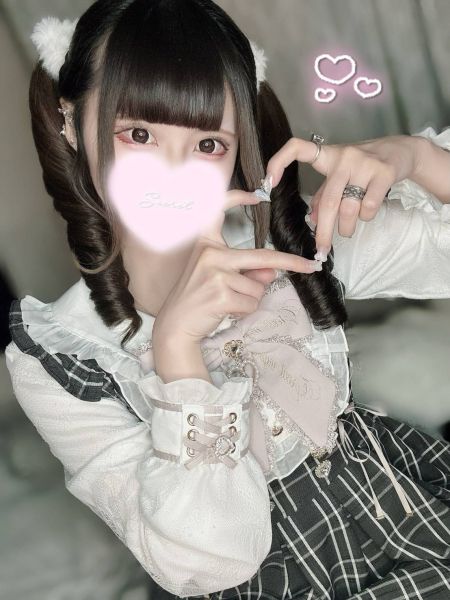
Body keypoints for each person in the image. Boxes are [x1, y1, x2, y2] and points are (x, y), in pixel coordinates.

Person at [5, 1, 450, 598]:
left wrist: (417, 158)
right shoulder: (62, 355)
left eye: (209, 144)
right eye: (139, 134)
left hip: (408, 521)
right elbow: (210, 562)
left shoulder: (291, 244)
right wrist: (177, 354)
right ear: (69, 119)